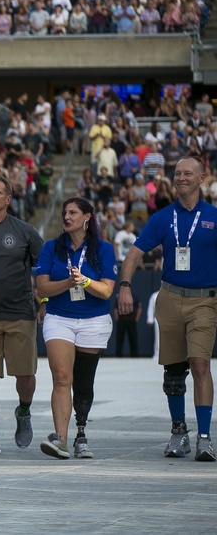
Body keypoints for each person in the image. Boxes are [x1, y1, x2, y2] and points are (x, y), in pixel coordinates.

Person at [117, 156, 217, 462]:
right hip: (170, 297)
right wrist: (124, 286)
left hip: (205, 299)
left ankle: (203, 437)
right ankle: (179, 432)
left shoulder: (214, 216)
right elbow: (134, 253)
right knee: (174, 371)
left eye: (188, 173)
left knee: (200, 364)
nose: (181, 178)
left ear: (202, 179)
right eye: (177, 174)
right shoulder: (162, 218)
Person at [35, 196, 117, 459]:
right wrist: (68, 284)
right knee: (61, 376)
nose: (66, 217)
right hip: (59, 317)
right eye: (64, 213)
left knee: (83, 381)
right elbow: (43, 288)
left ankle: (81, 434)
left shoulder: (103, 249)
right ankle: (61, 440)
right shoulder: (51, 247)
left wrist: (84, 281)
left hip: (94, 319)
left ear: (87, 217)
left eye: (72, 213)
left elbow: (106, 291)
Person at [0, 175, 44, 455]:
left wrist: (45, 299)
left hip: (20, 313)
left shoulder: (24, 231)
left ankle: (23, 411)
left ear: (8, 199)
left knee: (25, 375)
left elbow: (46, 266)